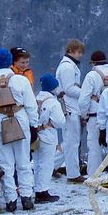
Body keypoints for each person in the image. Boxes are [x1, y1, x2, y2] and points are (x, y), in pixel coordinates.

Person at [0, 48, 39, 212]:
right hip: (20, 121)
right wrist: (34, 124)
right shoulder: (21, 80)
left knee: (6, 164)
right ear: (11, 61)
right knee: (24, 162)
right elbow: (31, 105)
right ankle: (27, 198)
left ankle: (10, 200)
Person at [56, 39, 86, 183]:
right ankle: (73, 174)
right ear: (71, 51)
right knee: (72, 142)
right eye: (78, 52)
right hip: (70, 108)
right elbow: (69, 89)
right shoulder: (68, 67)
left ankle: (51, 167)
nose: (80, 55)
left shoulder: (67, 65)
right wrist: (85, 92)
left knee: (69, 141)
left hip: (71, 107)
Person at [79, 50, 108, 176]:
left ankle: (94, 177)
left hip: (94, 115)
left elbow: (83, 100)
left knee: (94, 148)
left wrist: (84, 115)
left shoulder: (91, 75)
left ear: (93, 63)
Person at [34, 74, 64, 203]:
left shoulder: (35, 99)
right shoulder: (53, 102)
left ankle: (36, 189)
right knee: (46, 164)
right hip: (48, 135)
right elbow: (60, 122)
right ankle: (43, 191)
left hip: (35, 135)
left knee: (37, 163)